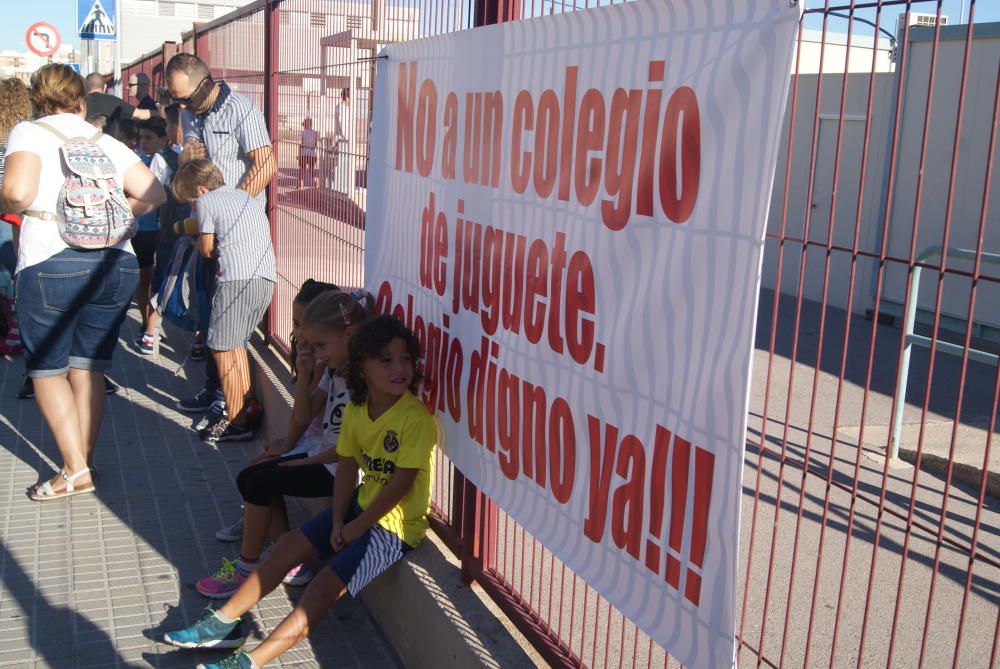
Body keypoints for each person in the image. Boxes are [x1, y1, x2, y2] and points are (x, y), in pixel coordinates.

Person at [162, 315, 437, 669]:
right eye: (386, 360)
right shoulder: (357, 407)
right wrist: (339, 519)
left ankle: (249, 662)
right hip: (361, 507)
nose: (400, 368)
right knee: (289, 545)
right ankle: (223, 622)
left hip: (394, 529)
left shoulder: (416, 420)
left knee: (321, 587)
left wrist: (353, 527)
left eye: (405, 359)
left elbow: (400, 486)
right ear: (362, 368)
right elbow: (348, 467)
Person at [0, 64, 165, 500]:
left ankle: (74, 469)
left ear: (39, 98)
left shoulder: (28, 132)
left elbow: (16, 192)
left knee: (47, 369)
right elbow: (154, 193)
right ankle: (82, 462)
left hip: (50, 260)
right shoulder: (105, 140)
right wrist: (106, 221)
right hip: (115, 264)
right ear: (80, 100)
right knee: (89, 365)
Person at [198, 287, 375, 599]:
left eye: (322, 345)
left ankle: (248, 569)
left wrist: (302, 460)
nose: (318, 352)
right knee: (253, 476)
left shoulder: (363, 379)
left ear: (349, 335)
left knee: (259, 482)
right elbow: (306, 414)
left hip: (342, 470)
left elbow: (352, 452)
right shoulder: (334, 369)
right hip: (326, 459)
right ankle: (287, 559)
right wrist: (306, 374)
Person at [166, 52, 276, 424]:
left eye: (186, 98)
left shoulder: (241, 110)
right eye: (176, 100)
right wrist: (185, 160)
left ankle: (232, 405)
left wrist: (234, 208)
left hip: (236, 235)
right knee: (208, 315)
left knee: (226, 321)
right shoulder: (188, 115)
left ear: (206, 83)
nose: (182, 105)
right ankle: (217, 392)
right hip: (206, 227)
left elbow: (266, 163)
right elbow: (187, 167)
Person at [171, 159, 275, 443]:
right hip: (264, 279)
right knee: (235, 346)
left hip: (234, 281)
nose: (193, 207)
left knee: (218, 348)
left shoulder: (208, 202)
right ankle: (246, 404)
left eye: (191, 201)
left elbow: (206, 249)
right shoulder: (246, 197)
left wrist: (198, 242)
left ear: (201, 189)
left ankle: (236, 419)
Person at [0, 78, 32, 359]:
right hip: (19, 209)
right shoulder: (26, 135)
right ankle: (17, 329)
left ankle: (7, 329)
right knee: (16, 269)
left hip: (3, 209)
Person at [133, 117, 171, 353]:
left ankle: (153, 324)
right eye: (141, 138)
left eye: (148, 138)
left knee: (162, 278)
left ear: (163, 140)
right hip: (143, 229)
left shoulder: (170, 160)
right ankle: (146, 322)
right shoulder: (136, 162)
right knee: (145, 276)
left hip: (165, 229)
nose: (143, 142)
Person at [84, 72, 151, 138]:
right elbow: (140, 114)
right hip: (109, 144)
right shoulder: (114, 100)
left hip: (85, 144)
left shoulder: (80, 102)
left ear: (86, 87)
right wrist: (159, 111)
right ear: (105, 87)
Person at [333, 87, 353, 194]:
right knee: (341, 165)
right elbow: (342, 123)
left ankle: (341, 187)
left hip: (343, 139)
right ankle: (340, 188)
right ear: (347, 97)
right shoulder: (341, 108)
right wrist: (347, 138)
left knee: (343, 164)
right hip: (343, 140)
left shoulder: (342, 107)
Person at [298, 117, 318, 189]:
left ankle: (301, 185)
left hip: (304, 153)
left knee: (302, 170)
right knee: (311, 169)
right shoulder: (315, 133)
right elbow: (315, 145)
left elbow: (302, 144)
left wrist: (299, 154)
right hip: (312, 153)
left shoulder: (303, 133)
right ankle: (316, 182)